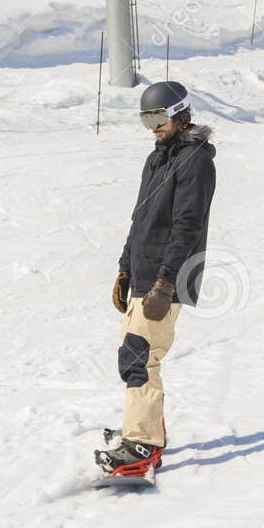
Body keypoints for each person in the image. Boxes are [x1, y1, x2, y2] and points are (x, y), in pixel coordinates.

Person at [97, 80, 217, 481]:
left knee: (139, 356)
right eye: (146, 118)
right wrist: (125, 267)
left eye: (158, 116)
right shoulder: (157, 158)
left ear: (181, 113)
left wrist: (166, 284)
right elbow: (140, 218)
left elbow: (187, 225)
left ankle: (143, 445)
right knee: (134, 355)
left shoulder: (196, 161)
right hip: (144, 273)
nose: (153, 126)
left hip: (167, 277)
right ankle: (145, 427)